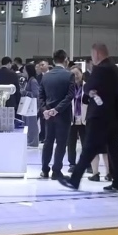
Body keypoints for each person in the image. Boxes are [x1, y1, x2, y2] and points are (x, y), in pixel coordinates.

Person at [59, 43, 118, 192]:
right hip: (113, 115)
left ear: (97, 54)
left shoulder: (100, 69)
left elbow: (88, 87)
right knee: (114, 150)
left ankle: (74, 180)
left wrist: (92, 91)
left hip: (99, 116)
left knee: (89, 148)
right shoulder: (115, 69)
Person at [39, 50, 74, 179]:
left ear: (53, 61)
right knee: (61, 143)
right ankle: (56, 171)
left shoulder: (46, 76)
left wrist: (45, 110)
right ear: (65, 60)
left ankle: (44, 169)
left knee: (48, 142)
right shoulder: (69, 75)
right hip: (63, 114)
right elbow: (70, 96)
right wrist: (57, 109)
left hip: (48, 115)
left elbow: (40, 96)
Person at [66, 66, 87, 173]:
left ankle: (87, 164)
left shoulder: (87, 87)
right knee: (71, 144)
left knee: (86, 143)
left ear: (82, 74)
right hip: (72, 119)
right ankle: (72, 164)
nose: (76, 76)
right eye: (73, 75)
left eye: (77, 73)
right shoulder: (69, 88)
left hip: (84, 119)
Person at [21, 64, 41, 147]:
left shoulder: (33, 81)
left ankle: (33, 141)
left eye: (24, 70)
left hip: (32, 106)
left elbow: (36, 94)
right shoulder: (27, 81)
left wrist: (25, 92)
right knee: (27, 123)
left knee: (32, 124)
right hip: (27, 105)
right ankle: (29, 140)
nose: (23, 71)